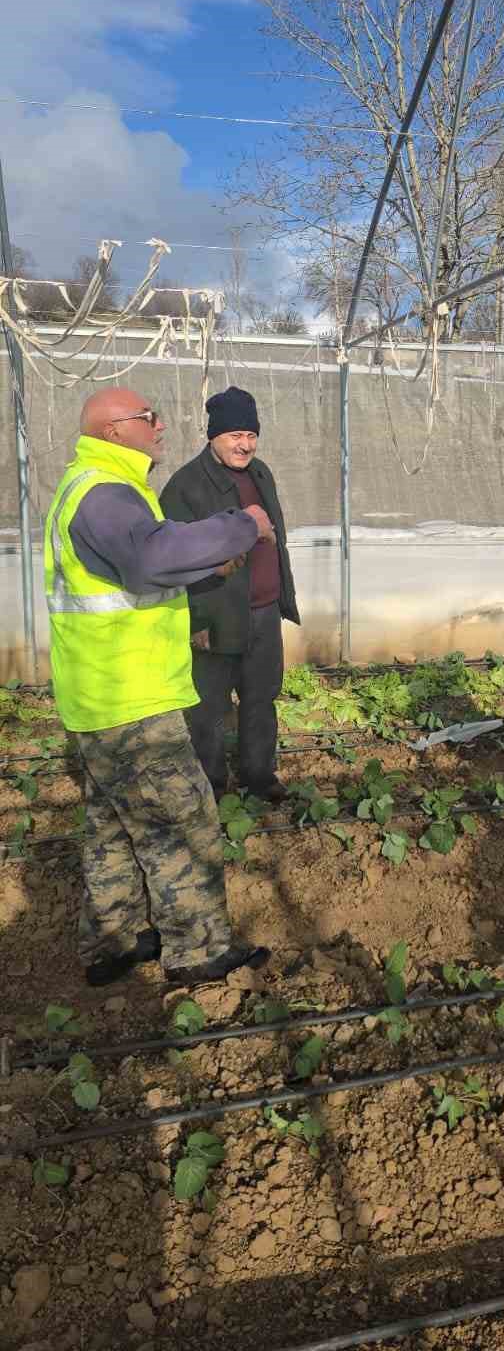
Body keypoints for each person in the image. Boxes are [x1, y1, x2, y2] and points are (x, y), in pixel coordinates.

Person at [44, 386, 274, 988]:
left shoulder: (92, 486)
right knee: (184, 821)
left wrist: (201, 566)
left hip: (100, 694)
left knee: (113, 825)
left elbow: (135, 572)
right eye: (149, 417)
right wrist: (239, 528)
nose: (161, 425)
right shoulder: (105, 491)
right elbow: (148, 558)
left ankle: (112, 942)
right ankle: (197, 953)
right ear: (115, 428)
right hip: (131, 696)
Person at [160, 387, 299, 803]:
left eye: (251, 435)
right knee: (208, 709)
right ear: (213, 436)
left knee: (261, 698)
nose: (245, 444)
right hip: (216, 615)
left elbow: (274, 538)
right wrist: (196, 621)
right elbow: (174, 560)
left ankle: (259, 778)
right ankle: (212, 787)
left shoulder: (262, 474)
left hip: (263, 612)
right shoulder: (185, 486)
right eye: (235, 435)